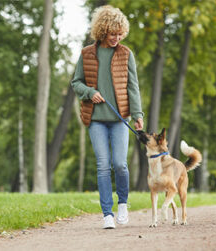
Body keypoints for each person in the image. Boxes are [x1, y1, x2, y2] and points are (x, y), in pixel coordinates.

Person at [71, 5, 144, 229]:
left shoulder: (126, 54)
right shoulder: (87, 54)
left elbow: (133, 87)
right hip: (96, 119)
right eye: (113, 34)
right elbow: (76, 82)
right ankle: (107, 214)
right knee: (103, 165)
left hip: (120, 118)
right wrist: (90, 92)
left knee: (120, 164)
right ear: (103, 31)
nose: (117, 38)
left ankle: (123, 203)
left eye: (120, 34)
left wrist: (138, 114)